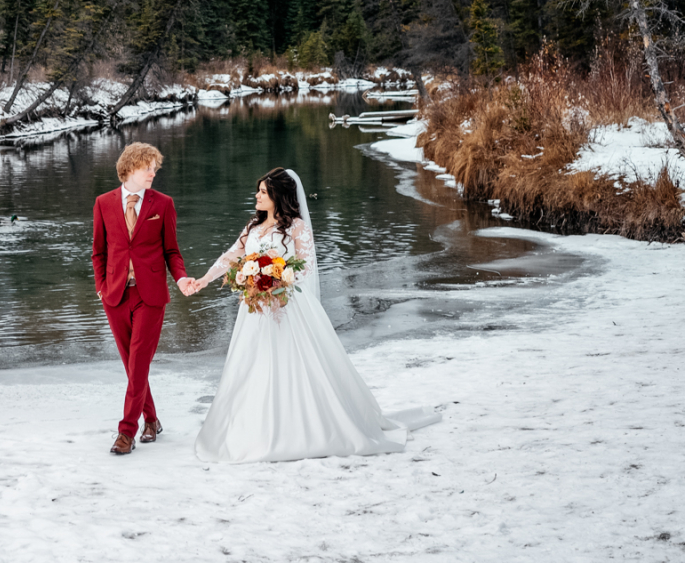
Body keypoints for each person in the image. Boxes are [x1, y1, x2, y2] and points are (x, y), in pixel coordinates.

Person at [185, 166, 437, 463]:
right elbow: (232, 256)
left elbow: (304, 266)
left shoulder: (296, 228)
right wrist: (203, 279)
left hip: (286, 306)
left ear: (278, 196)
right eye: (259, 191)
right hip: (255, 311)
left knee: (294, 364)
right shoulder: (253, 227)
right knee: (253, 364)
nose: (257, 196)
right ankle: (251, 427)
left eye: (263, 192)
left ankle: (301, 427)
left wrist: (273, 277)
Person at [90, 142, 196, 455]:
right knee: (131, 365)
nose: (153, 172)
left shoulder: (163, 203)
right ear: (129, 169)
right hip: (115, 296)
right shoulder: (103, 203)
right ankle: (151, 419)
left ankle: (126, 432)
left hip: (150, 296)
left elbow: (171, 250)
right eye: (147, 167)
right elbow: (98, 251)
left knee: (138, 364)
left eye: (155, 167)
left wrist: (180, 278)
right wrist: (101, 286)